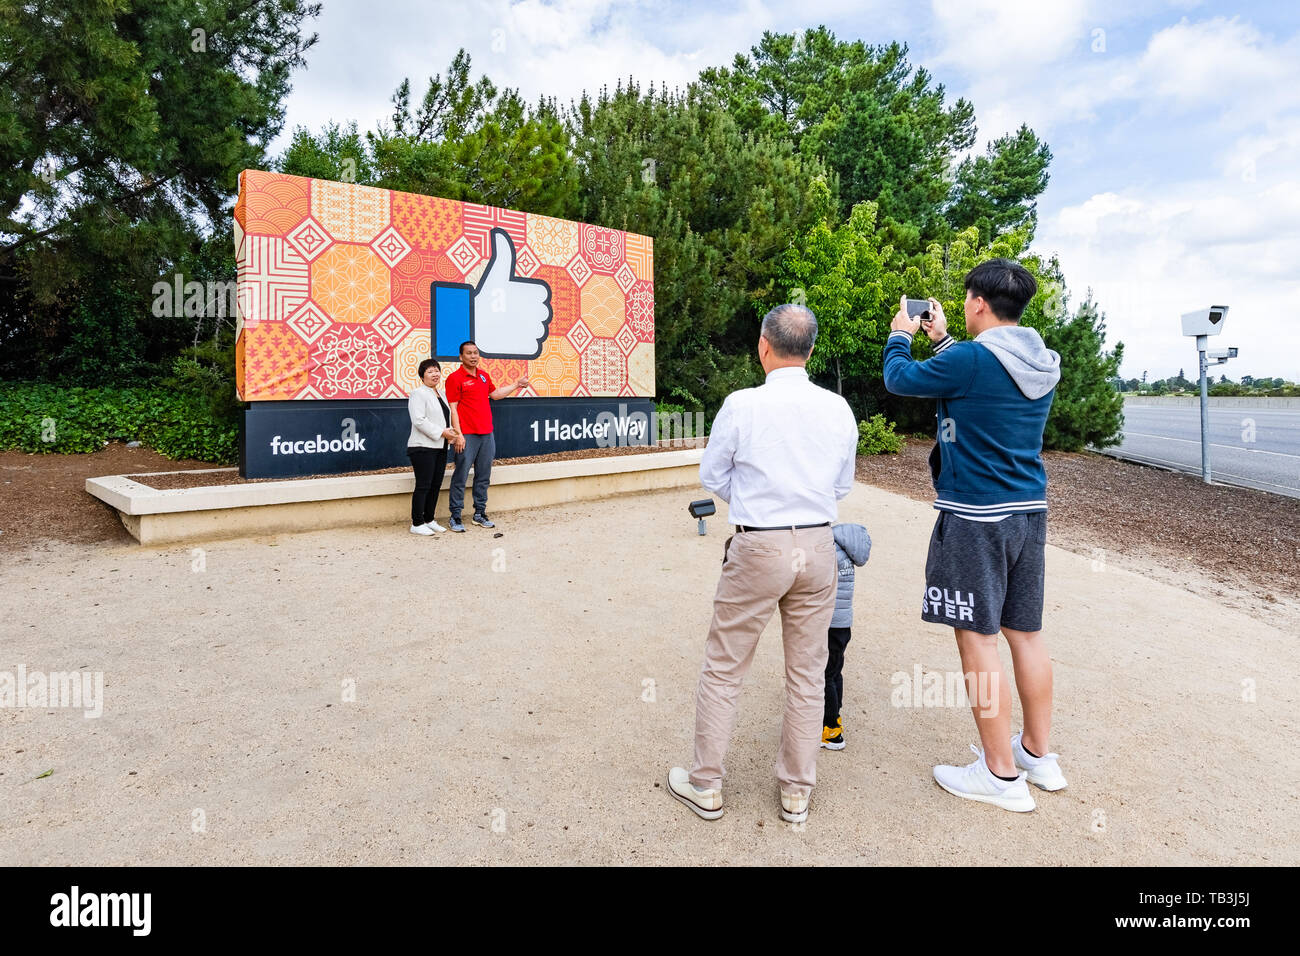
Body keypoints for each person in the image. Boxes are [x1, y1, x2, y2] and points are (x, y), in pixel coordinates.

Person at [883, 258, 1067, 813]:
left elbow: (900, 380)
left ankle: (999, 774)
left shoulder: (969, 359)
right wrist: (941, 341)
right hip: (1028, 513)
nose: (960, 310)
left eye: (964, 301)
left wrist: (900, 336)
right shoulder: (1040, 361)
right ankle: (1037, 755)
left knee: (976, 639)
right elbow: (976, 388)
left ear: (979, 304)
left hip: (975, 518)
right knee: (1025, 635)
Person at [667, 304, 858, 824]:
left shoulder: (742, 404)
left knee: (725, 666)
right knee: (808, 673)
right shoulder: (838, 409)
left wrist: (756, 504)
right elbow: (841, 486)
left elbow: (715, 475)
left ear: (763, 345)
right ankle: (797, 790)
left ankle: (706, 783)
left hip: (759, 544)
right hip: (819, 546)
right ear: (812, 350)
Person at [443, 340, 529, 532]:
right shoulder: (455, 378)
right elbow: (453, 409)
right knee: (461, 476)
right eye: (469, 353)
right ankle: (455, 516)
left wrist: (516, 384)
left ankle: (479, 513)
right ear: (461, 357)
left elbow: (496, 394)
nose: (473, 356)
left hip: (486, 434)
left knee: (483, 476)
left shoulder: (483, 376)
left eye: (476, 353)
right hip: (467, 436)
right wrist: (459, 435)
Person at [820, 522, 871, 751]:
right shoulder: (847, 548)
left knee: (824, 676)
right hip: (842, 624)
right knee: (833, 672)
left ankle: (831, 730)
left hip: (828, 622)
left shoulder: (828, 548)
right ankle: (835, 713)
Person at [407, 359, 464, 536]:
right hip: (422, 447)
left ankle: (429, 519)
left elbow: (444, 418)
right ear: (422, 375)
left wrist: (451, 435)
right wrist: (442, 433)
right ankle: (416, 523)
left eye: (437, 370)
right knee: (423, 485)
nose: (435, 374)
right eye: (430, 371)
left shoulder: (441, 394)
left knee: (435, 484)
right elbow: (418, 420)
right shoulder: (418, 393)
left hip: (440, 446)